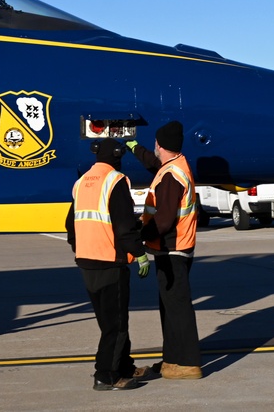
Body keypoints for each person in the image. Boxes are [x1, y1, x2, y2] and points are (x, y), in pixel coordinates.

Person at [66, 138, 150, 391]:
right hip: (110, 263)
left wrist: (82, 249)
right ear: (117, 156)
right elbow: (124, 226)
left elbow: (71, 226)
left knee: (108, 321)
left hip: (86, 262)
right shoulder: (116, 181)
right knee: (116, 325)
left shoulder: (81, 183)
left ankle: (124, 365)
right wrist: (140, 253)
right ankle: (106, 375)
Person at [125, 120, 202, 380]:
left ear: (160, 144)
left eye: (155, 144)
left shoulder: (171, 176)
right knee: (169, 306)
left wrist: (139, 236)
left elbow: (165, 219)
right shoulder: (174, 165)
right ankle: (172, 360)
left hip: (173, 248)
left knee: (178, 307)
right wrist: (135, 149)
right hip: (172, 247)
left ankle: (189, 363)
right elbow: (153, 162)